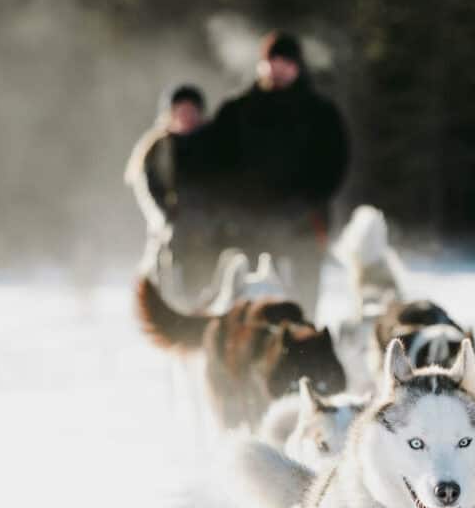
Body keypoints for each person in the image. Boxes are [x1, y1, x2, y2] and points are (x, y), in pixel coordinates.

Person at [180, 32, 349, 316]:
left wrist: (302, 207)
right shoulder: (237, 110)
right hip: (247, 229)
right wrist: (234, 211)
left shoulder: (322, 113)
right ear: (262, 64)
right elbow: (214, 166)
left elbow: (334, 166)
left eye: (287, 62)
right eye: (273, 61)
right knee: (245, 309)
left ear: (298, 67)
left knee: (302, 308)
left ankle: (302, 358)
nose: (279, 69)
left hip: (303, 227)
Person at [124, 84, 206, 276]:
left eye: (191, 111)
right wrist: (168, 218)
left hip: (206, 231)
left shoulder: (211, 145)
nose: (186, 116)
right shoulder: (156, 149)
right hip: (169, 230)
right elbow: (148, 191)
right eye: (181, 110)